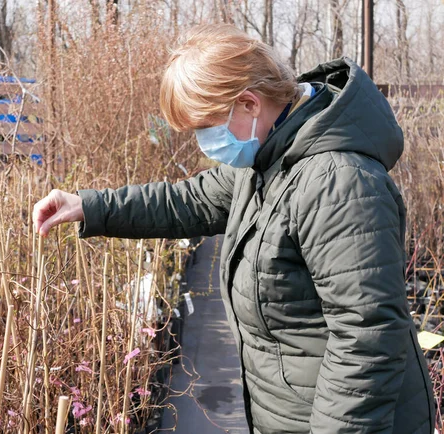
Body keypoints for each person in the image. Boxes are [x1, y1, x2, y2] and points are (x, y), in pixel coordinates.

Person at [32, 24, 435, 433]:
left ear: (248, 104)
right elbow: (189, 200)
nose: (204, 143)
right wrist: (88, 206)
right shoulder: (268, 158)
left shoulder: (338, 182)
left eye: (205, 127)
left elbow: (365, 338)